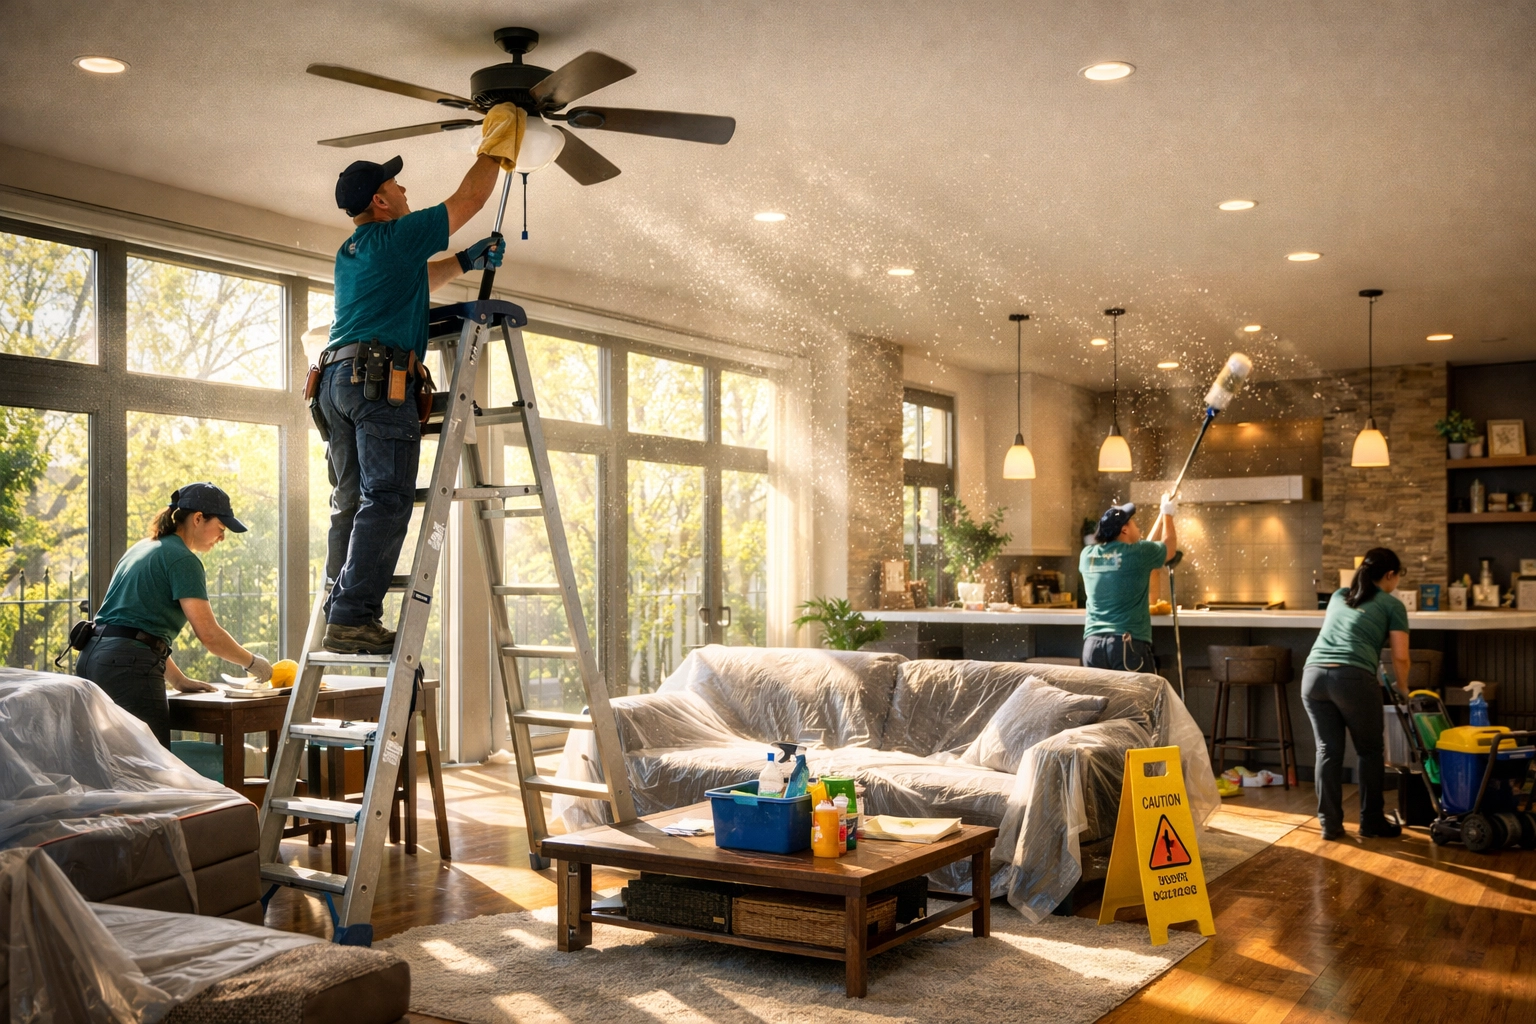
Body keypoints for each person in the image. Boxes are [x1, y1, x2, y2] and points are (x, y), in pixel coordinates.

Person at [317, 139, 509, 654]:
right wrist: (498, 143)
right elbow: (468, 199)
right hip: (376, 382)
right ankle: (353, 617)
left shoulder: (354, 251)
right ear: (381, 202)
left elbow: (418, 278)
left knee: (350, 501)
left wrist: (467, 260)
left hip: (335, 382)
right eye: (395, 185)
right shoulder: (395, 234)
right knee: (387, 498)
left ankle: (337, 607)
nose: (403, 189)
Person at [77, 483, 273, 747]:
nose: (222, 537)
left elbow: (132, 627)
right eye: (221, 528)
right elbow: (210, 635)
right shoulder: (183, 560)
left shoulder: (142, 548)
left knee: (110, 762)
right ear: (198, 518)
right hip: (126, 666)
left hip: (93, 658)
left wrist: (178, 680)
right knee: (151, 767)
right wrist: (254, 663)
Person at [1302, 547, 1411, 841]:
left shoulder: (1339, 596)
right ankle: (1372, 822)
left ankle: (1330, 825)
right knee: (1370, 750)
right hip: (1351, 678)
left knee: (1327, 751)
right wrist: (1403, 689)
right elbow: (1400, 657)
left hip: (1313, 677)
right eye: (1398, 576)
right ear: (1389, 575)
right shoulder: (1392, 604)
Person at [1080, 497, 1179, 672]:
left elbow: (1143, 548)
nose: (1137, 526)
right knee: (1140, 700)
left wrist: (1162, 513)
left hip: (1092, 648)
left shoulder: (1087, 555)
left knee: (1101, 700)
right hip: (1126, 646)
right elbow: (1169, 547)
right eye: (1133, 522)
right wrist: (1168, 515)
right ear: (1124, 530)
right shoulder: (1139, 554)